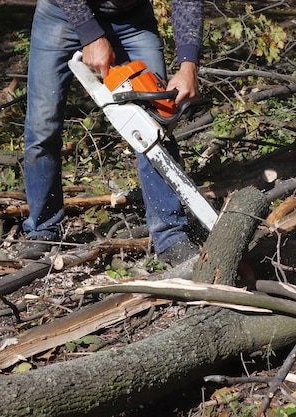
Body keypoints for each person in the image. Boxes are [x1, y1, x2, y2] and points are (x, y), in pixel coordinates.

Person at [20, 0, 202, 265]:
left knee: (156, 123)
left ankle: (170, 235)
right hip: (60, 16)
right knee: (42, 126)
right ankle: (42, 229)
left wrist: (189, 66)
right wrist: (90, 33)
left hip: (132, 21)